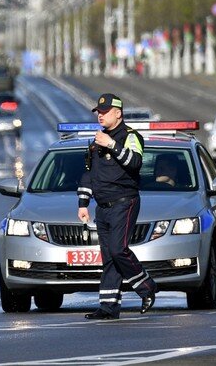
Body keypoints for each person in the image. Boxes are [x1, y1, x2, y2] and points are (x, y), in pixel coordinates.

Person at [77, 93, 158, 320]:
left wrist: (112, 144)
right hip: (102, 206)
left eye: (104, 112)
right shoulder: (97, 141)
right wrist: (83, 203)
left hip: (124, 202)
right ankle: (109, 307)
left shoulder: (130, 136)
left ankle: (147, 287)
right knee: (109, 257)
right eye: (98, 113)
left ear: (118, 113)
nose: (100, 116)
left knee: (118, 249)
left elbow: (135, 162)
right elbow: (89, 175)